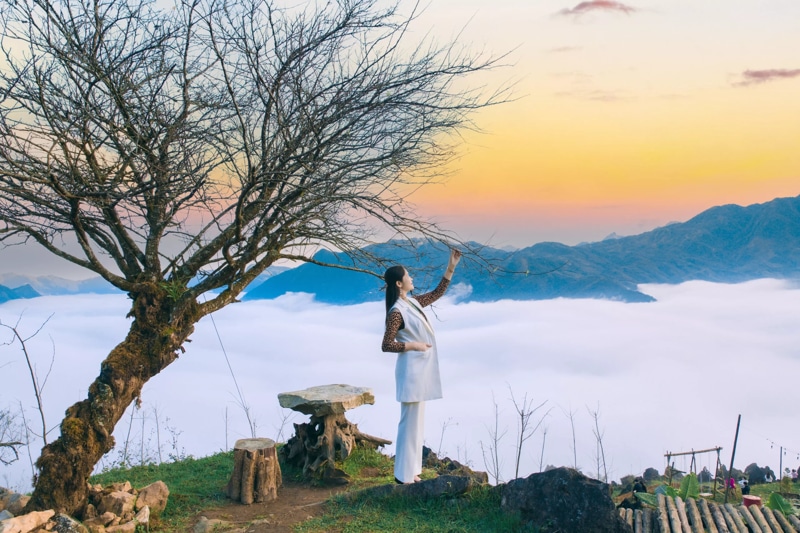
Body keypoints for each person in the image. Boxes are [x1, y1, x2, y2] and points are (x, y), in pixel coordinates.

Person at [381, 248, 461, 484]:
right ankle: (402, 475)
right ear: (399, 283)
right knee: (409, 423)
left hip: (419, 371)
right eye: (408, 275)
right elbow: (386, 345)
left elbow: (437, 293)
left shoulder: (412, 303)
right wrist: (413, 346)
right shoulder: (396, 312)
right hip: (411, 372)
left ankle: (412, 471)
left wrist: (451, 267)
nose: (411, 277)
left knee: (416, 423)